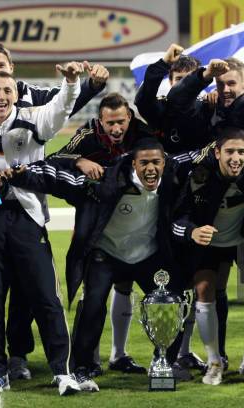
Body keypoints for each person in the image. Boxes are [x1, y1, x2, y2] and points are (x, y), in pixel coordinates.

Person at [0, 42, 109, 383]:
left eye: (7, 88)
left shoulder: (34, 118)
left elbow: (61, 110)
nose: (2, 93)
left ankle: (62, 372)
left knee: (45, 297)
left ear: (15, 90)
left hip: (27, 217)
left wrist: (70, 84)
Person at [3, 138, 189, 390]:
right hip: (107, 252)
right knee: (92, 305)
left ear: (164, 163)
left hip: (148, 255)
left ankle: (163, 361)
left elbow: (204, 156)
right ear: (133, 164)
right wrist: (22, 177)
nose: (151, 168)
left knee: (172, 301)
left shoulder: (174, 179)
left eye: (156, 162)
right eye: (144, 163)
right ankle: (82, 367)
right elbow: (58, 180)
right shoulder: (107, 180)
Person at [52, 92, 156, 378]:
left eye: (121, 121)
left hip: (138, 228)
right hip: (98, 230)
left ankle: (119, 355)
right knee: (93, 295)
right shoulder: (87, 134)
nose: (116, 129)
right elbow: (56, 158)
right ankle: (88, 361)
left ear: (130, 117)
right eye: (110, 123)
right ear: (100, 120)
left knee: (129, 288)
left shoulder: (144, 134)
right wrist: (79, 162)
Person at [172, 127, 244, 385]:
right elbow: (177, 218)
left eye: (241, 152)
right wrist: (191, 232)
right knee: (204, 290)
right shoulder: (198, 177)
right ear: (217, 153)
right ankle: (214, 363)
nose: (236, 158)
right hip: (209, 242)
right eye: (230, 151)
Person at [134, 43, 202, 153]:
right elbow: (143, 100)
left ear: (199, 81)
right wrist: (165, 63)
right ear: (170, 81)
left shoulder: (208, 106)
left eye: (189, 79)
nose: (184, 84)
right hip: (166, 168)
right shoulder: (161, 108)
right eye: (179, 79)